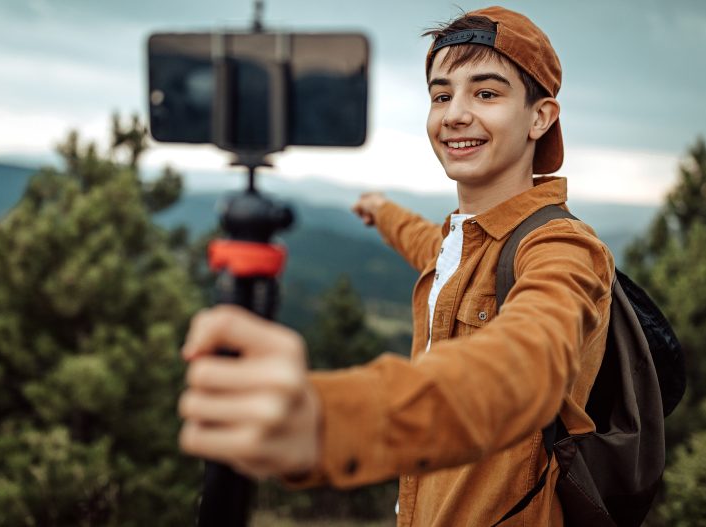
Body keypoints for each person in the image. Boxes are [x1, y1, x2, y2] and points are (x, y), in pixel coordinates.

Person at [178, 6, 614, 526]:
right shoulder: (463, 242)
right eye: (441, 94)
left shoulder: (563, 248)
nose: (455, 114)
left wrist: (329, 421)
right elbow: (428, 242)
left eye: (487, 93)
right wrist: (382, 212)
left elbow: (528, 366)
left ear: (540, 117)